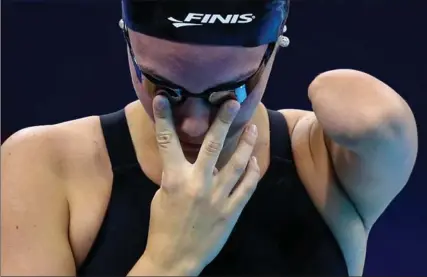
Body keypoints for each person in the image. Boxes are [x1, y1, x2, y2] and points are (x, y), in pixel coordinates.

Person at [1, 0, 418, 276]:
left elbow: (379, 126)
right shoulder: (43, 167)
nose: (194, 125)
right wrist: (168, 261)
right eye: (164, 89)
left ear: (275, 47)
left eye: (231, 93)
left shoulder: (323, 159)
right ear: (126, 40)